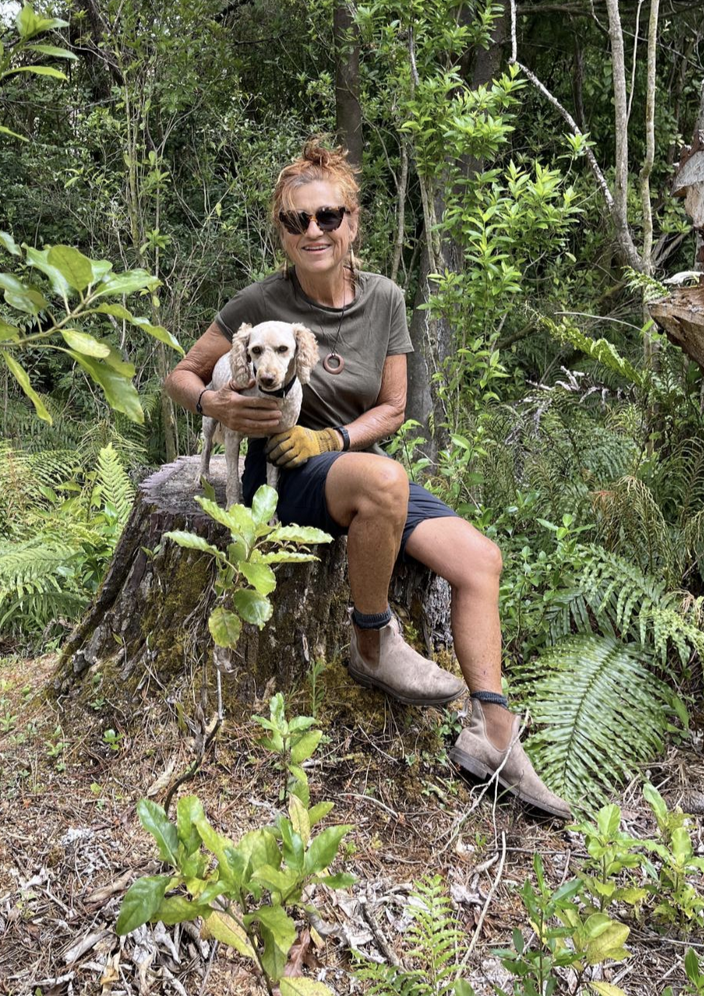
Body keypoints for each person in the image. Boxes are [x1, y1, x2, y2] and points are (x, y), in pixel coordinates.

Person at [164, 140, 570, 819]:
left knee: (479, 560)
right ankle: (373, 643)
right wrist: (213, 403)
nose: (313, 231)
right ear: (282, 231)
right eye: (297, 221)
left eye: (327, 216)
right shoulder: (260, 301)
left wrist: (334, 436)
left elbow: (394, 406)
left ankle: (494, 737)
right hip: (285, 474)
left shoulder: (384, 299)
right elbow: (181, 374)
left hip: (351, 464)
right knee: (383, 482)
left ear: (352, 222)